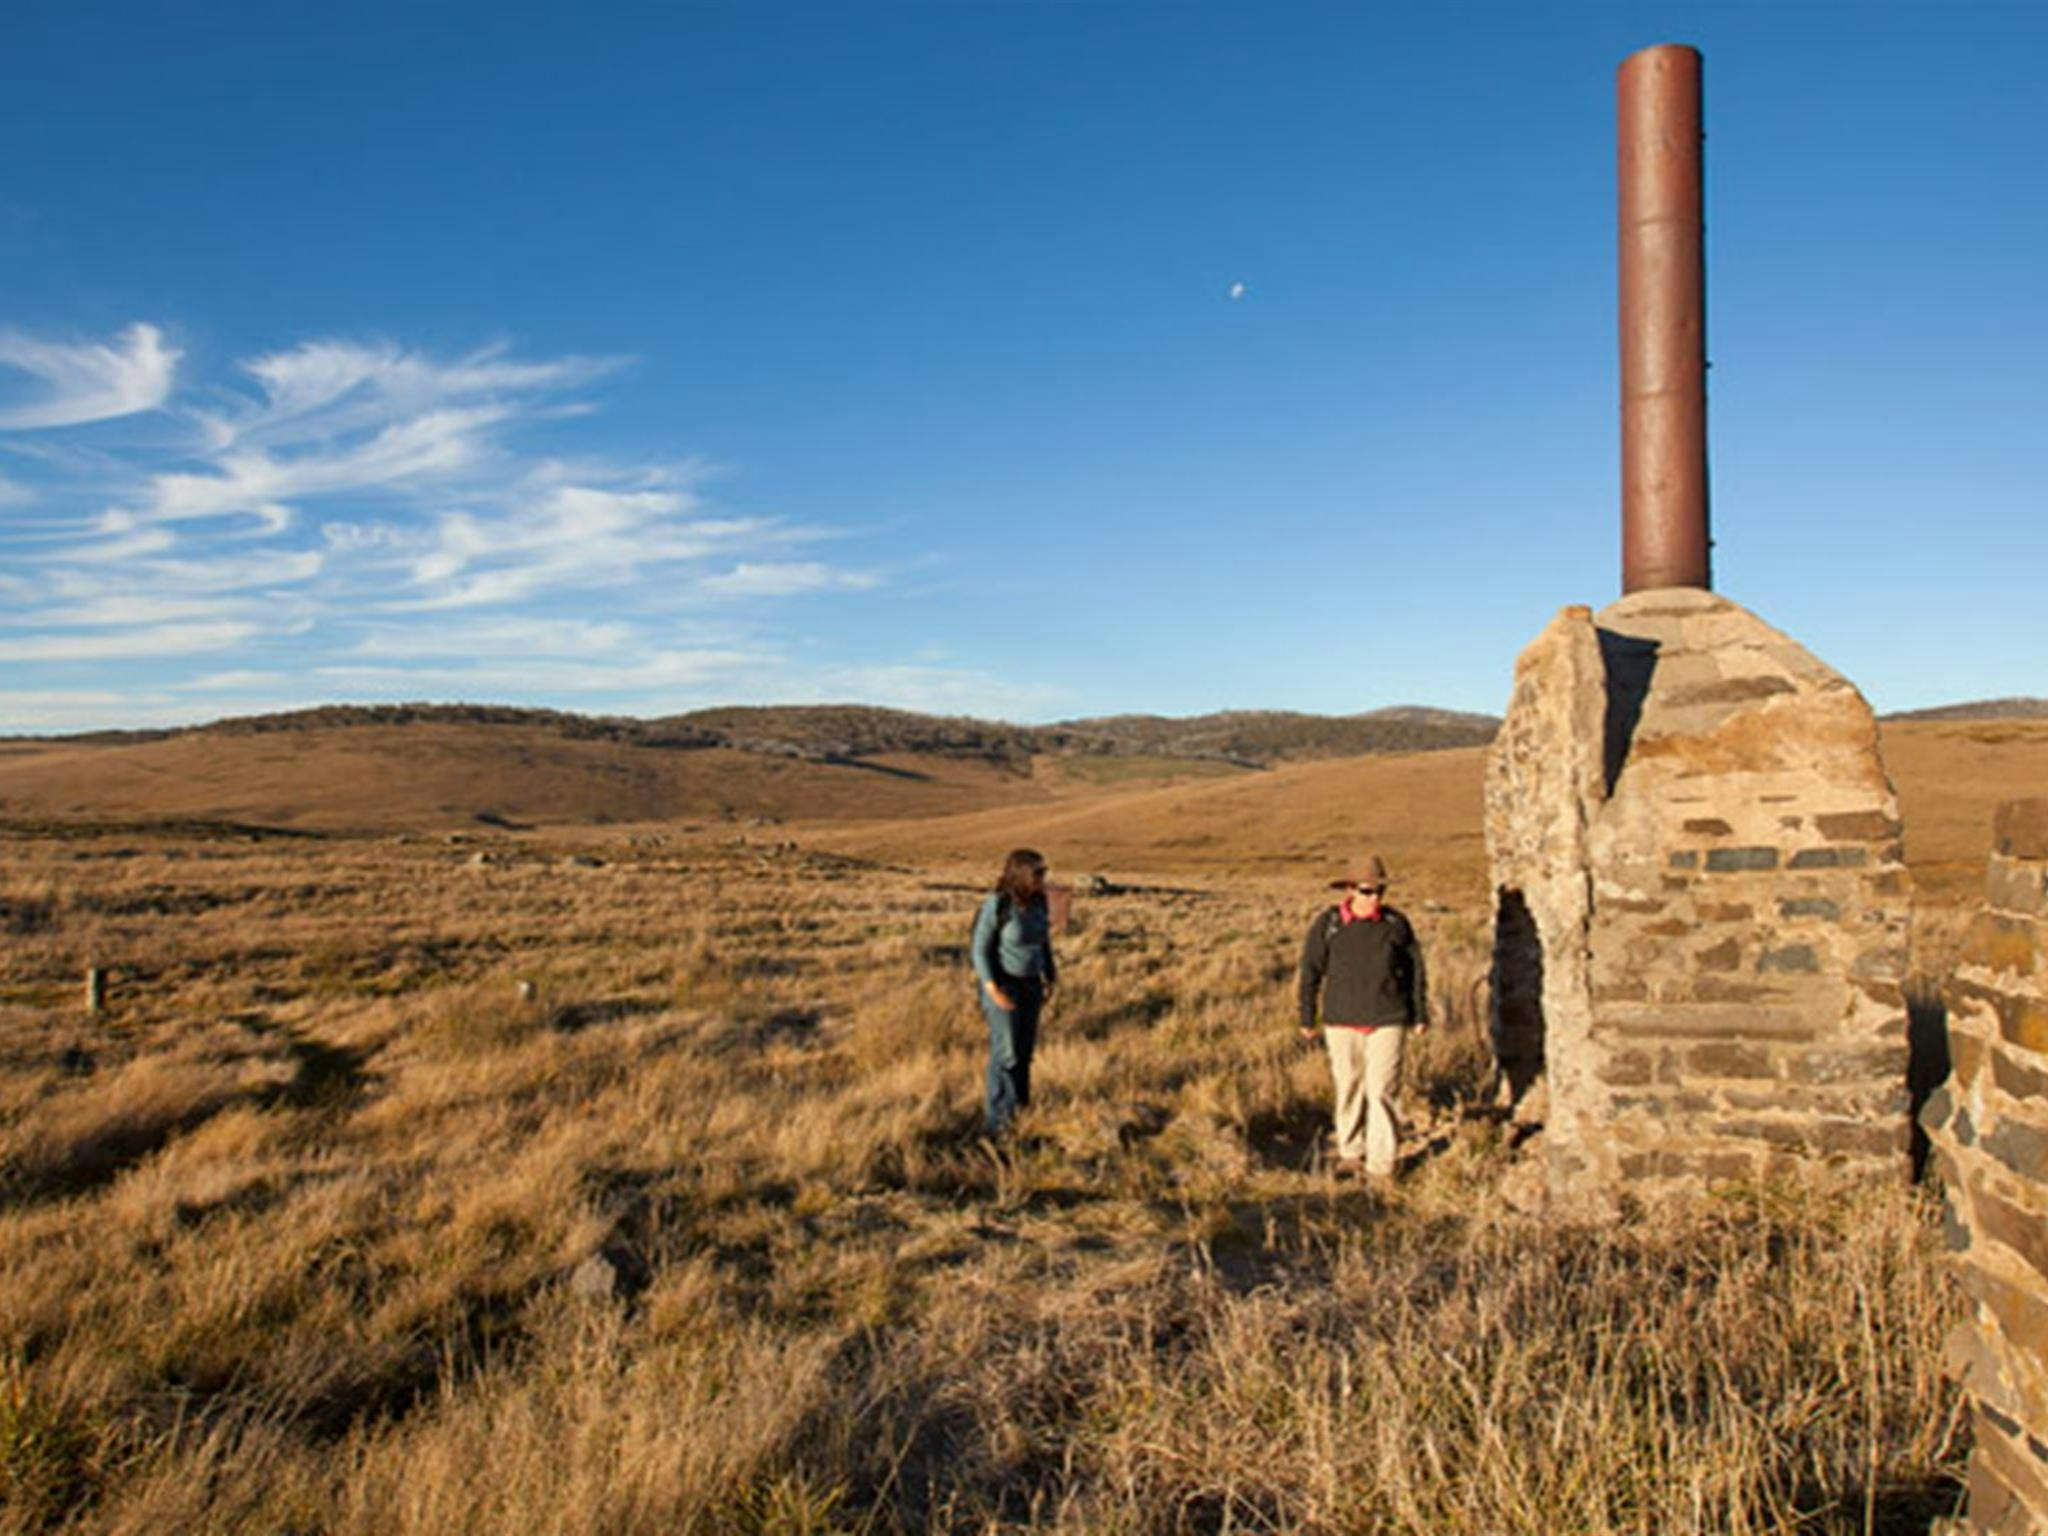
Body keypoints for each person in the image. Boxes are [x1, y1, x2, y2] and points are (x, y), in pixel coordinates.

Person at [1297, 853, 1428, 1179]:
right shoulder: (1328, 925)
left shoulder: (1397, 924)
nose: (1375, 899)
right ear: (1351, 890)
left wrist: (1419, 1013)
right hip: (1341, 1020)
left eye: (1380, 892)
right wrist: (1306, 1017)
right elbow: (1310, 971)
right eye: (1368, 891)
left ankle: (1382, 1165)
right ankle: (1351, 1152)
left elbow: (1415, 972)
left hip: (1389, 1017)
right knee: (1349, 1086)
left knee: (1382, 1090)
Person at [971, 848, 1058, 1136]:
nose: (1043, 878)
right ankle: (998, 1126)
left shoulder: (1039, 903)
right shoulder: (998, 905)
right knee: (1005, 1055)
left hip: (1032, 985)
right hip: (1004, 985)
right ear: (1021, 874)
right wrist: (992, 990)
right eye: (1038, 873)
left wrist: (1050, 974)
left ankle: (1020, 1113)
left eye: (1043, 873)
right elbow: (980, 950)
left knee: (1024, 1053)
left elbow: (1044, 942)